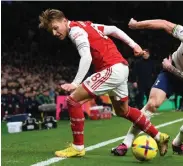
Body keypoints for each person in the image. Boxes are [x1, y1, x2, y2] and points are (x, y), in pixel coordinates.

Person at [38, 9, 169, 158]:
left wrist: (75, 83)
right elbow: (113, 30)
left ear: (64, 20)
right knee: (122, 111)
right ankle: (159, 137)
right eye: (51, 31)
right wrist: (134, 45)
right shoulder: (86, 25)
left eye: (55, 28)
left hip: (111, 69)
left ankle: (77, 147)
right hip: (121, 68)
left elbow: (86, 57)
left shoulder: (75, 31)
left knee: (73, 100)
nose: (55, 33)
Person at [111, 18, 183, 156]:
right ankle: (125, 144)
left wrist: (171, 68)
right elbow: (164, 24)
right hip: (169, 76)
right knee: (152, 104)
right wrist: (136, 25)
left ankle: (177, 144)